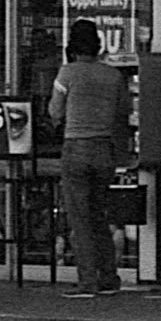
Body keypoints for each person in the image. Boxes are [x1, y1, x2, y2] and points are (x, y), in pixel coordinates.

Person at [47, 19, 127, 297]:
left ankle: (87, 281)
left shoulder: (67, 73)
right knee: (99, 215)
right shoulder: (113, 76)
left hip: (76, 148)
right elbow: (123, 112)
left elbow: (55, 112)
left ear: (72, 46)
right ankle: (109, 277)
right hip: (104, 150)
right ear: (98, 45)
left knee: (79, 218)